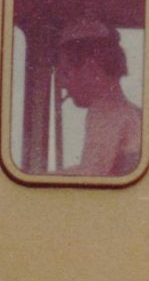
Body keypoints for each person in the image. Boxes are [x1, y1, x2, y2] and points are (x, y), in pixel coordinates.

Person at [53, 19, 142, 177]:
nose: (61, 84)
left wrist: (34, 178)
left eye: (66, 73)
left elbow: (91, 175)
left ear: (91, 69)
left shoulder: (106, 112)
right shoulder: (134, 112)